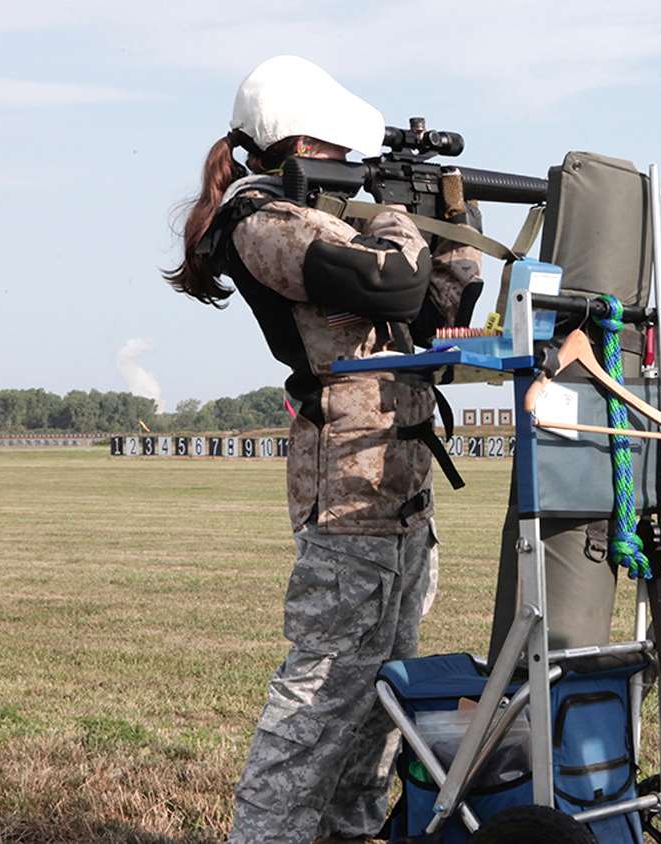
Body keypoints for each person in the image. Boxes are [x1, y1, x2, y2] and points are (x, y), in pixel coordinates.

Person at [164, 55, 482, 844]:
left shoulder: (333, 215)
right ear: (306, 137)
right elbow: (389, 282)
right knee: (319, 694)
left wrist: (457, 239)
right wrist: (399, 217)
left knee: (382, 690)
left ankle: (351, 828)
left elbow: (435, 322)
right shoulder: (263, 218)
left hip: (397, 488)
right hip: (346, 491)